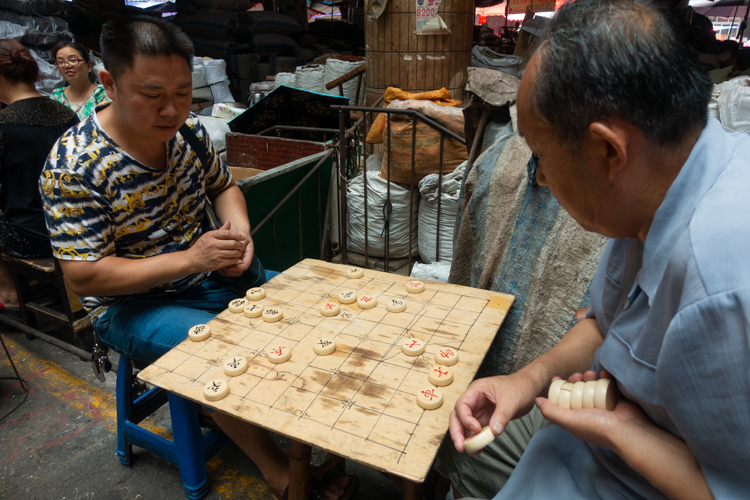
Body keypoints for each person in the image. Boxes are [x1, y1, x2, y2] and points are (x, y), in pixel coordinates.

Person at [439, 0, 750, 499]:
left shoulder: (722, 290)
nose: (538, 176)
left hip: (626, 469)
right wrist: (526, 380)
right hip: (589, 439)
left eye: (541, 156)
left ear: (608, 151)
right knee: (450, 437)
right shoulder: (662, 188)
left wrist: (621, 431)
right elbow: (604, 322)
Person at [39, 17, 355, 500]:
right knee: (223, 352)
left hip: (203, 275)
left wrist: (239, 237)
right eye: (152, 95)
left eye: (183, 93)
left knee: (307, 316)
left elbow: (224, 187)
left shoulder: (187, 135)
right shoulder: (75, 166)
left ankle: (305, 430)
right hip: (129, 305)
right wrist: (191, 259)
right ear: (109, 83)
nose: (171, 110)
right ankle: (280, 470)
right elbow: (84, 275)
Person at [0, 39, 78, 312]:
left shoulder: (4, 124)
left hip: (33, 236)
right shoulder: (66, 113)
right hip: (77, 227)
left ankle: (7, 289)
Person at [50, 41, 110, 120]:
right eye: (61, 62)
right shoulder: (56, 96)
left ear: (88, 66)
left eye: (73, 60)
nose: (67, 65)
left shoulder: (104, 94)